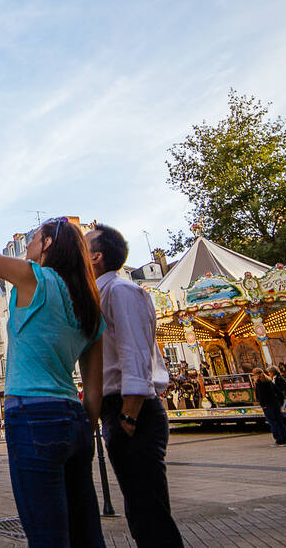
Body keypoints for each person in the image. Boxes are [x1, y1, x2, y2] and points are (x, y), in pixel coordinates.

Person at [0, 200, 105, 546]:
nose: (27, 244)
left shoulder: (35, 279)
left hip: (33, 414)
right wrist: (83, 424)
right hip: (74, 418)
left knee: (46, 532)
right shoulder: (90, 303)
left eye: (33, 239)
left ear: (47, 246)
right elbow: (94, 388)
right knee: (86, 529)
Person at [85, 224, 183, 547]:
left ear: (97, 257)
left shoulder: (120, 291)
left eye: (84, 247)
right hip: (119, 412)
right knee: (141, 511)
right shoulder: (101, 294)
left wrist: (129, 413)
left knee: (150, 513)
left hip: (134, 413)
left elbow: (135, 351)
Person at [253, 368, 286, 446]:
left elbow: (260, 395)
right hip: (275, 403)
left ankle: (279, 440)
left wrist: (262, 405)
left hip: (267, 405)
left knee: (273, 422)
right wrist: (280, 402)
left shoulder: (259, 383)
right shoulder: (269, 381)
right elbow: (279, 392)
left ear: (256, 375)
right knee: (280, 421)